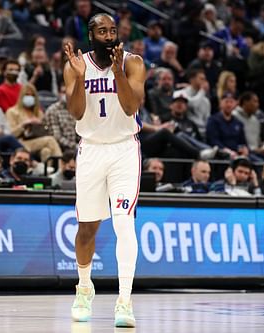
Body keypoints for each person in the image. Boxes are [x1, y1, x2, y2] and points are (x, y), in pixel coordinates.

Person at [63, 13, 146, 327]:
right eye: (102, 31)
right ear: (91, 35)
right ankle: (84, 287)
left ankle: (124, 301)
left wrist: (117, 72)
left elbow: (130, 107)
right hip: (91, 150)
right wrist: (82, 76)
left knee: (125, 225)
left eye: (113, 30)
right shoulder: (75, 64)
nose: (109, 35)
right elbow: (76, 112)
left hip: (124, 151)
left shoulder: (133, 63)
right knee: (87, 228)